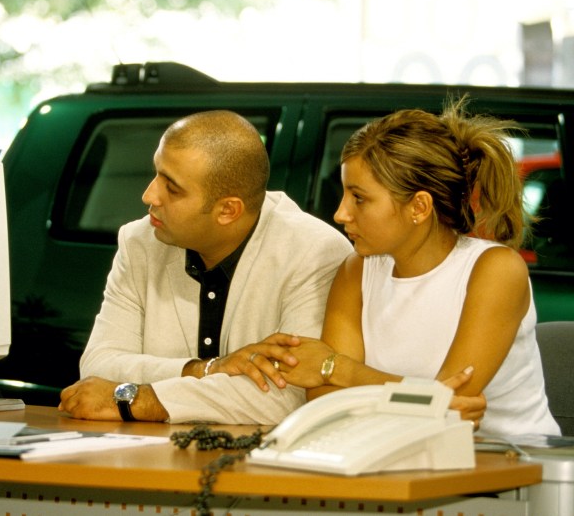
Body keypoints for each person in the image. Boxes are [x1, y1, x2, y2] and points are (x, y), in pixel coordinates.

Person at [276, 102, 559, 437]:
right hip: (395, 455)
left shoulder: (496, 269)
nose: (340, 214)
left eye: (359, 198)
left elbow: (448, 408)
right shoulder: (356, 271)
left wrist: (339, 369)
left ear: (419, 207)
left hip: (514, 470)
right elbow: (324, 401)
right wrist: (423, 399)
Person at [58, 110, 354, 424]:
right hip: (153, 458)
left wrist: (144, 400)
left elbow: (290, 395)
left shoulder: (314, 252)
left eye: (172, 189)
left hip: (259, 465)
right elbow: (98, 366)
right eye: (156, 173)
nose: (149, 195)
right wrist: (205, 369)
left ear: (228, 210)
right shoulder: (140, 241)